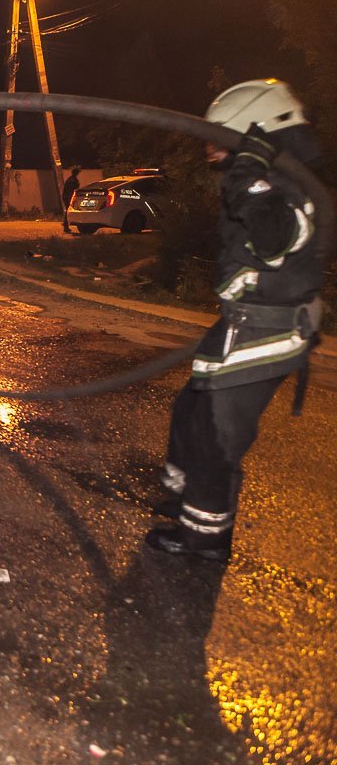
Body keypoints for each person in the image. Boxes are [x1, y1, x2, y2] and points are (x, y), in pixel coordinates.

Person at [147, 79, 325, 560]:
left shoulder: (285, 185)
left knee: (216, 434)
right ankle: (185, 498)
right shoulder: (268, 179)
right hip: (246, 320)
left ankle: (205, 538)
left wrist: (248, 170)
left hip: (268, 327)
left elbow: (272, 237)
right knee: (191, 408)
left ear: (257, 132)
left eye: (221, 134)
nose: (210, 144)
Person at [62, 166, 81, 233]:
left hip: (68, 197)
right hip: (68, 197)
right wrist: (70, 199)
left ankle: (66, 225)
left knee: (68, 211)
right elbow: (70, 191)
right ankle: (66, 226)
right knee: (68, 211)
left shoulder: (72, 179)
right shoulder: (72, 180)